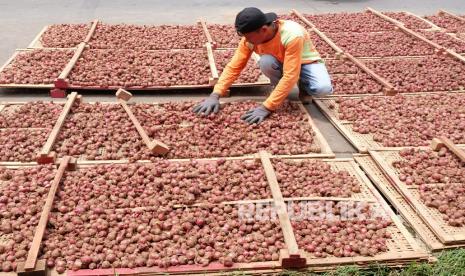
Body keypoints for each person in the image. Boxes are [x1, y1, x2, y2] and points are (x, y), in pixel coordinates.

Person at [193, 7, 333, 124]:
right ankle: (279, 90)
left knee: (322, 88)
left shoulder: (292, 35)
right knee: (266, 61)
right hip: (280, 63)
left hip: (306, 63)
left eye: (249, 36)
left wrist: (267, 107)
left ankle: (304, 87)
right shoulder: (250, 40)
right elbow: (234, 66)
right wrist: (215, 94)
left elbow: (291, 74)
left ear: (264, 30)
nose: (246, 40)